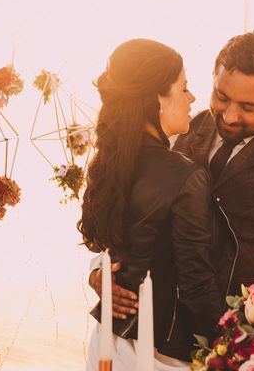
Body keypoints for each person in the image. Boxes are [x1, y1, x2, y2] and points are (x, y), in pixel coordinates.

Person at [91, 31, 254, 317]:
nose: (229, 116)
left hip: (241, 349)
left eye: (248, 107)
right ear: (213, 76)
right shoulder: (183, 129)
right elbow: (127, 209)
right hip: (164, 340)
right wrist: (100, 271)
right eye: (221, 97)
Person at [81, 39, 235, 370]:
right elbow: (195, 283)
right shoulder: (184, 175)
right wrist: (232, 350)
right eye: (183, 88)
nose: (191, 98)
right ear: (157, 100)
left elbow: (110, 247)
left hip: (108, 341)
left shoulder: (110, 162)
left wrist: (96, 273)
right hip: (160, 355)